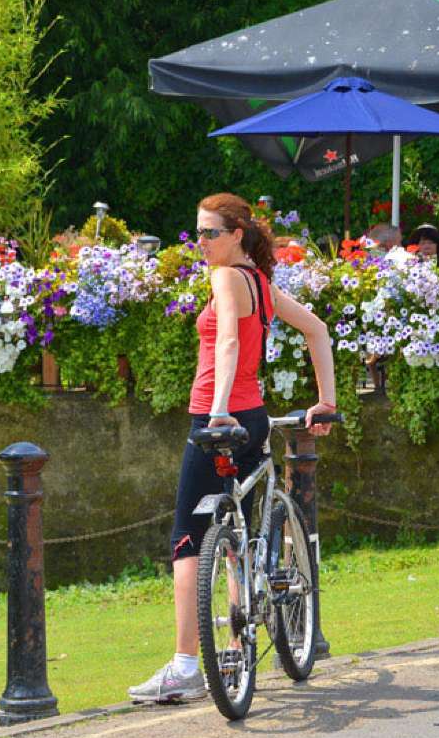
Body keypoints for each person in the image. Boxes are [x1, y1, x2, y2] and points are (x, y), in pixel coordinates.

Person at [129, 193, 338, 704]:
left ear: (237, 234)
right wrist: (324, 401)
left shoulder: (226, 278)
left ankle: (184, 668)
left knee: (188, 538)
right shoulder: (261, 284)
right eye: (196, 233)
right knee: (236, 537)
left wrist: (218, 407)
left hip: (218, 417)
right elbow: (318, 330)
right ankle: (235, 648)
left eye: (210, 234)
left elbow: (226, 341)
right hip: (254, 419)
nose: (201, 243)